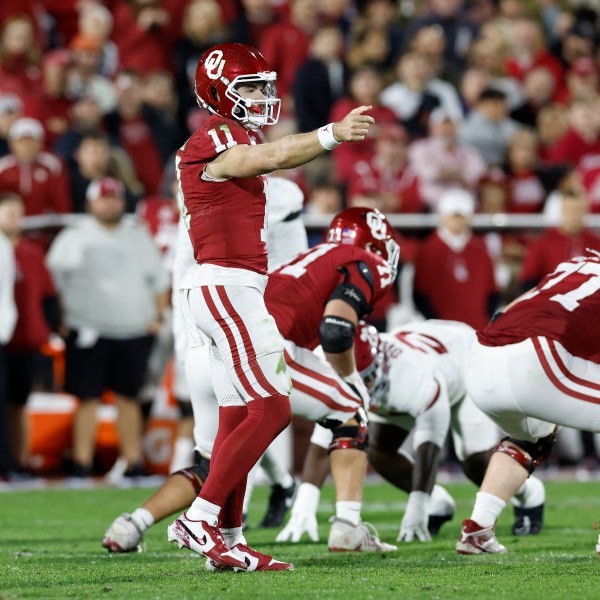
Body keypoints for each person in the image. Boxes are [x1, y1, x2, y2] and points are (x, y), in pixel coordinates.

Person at [165, 42, 374, 572]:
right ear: (218, 93)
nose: (263, 96)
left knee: (239, 414)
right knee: (274, 408)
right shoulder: (214, 139)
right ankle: (201, 518)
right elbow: (268, 157)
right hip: (225, 285)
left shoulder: (226, 136)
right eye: (250, 88)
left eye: (264, 85)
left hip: (231, 286)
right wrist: (331, 135)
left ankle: (229, 535)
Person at [103, 207, 400, 558]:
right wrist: (352, 381)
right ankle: (348, 527)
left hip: (207, 349)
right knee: (351, 410)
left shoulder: (313, 258)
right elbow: (335, 331)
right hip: (260, 344)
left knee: (214, 461)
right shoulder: (364, 261)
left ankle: (132, 525)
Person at [457, 251, 600, 555]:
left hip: (481, 358)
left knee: (532, 436)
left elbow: (508, 310)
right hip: (532, 358)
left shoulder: (576, 263)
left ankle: (478, 530)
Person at [357, 319, 545, 541]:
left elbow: (430, 442)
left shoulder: (411, 375)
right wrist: (305, 505)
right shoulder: (340, 359)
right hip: (433, 355)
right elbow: (326, 434)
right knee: (378, 448)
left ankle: (529, 492)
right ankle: (438, 502)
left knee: (473, 459)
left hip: (465, 362)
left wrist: (417, 506)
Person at [46, 176, 169, 481]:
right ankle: (81, 463)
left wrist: (157, 316)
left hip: (134, 328)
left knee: (129, 398)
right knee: (87, 398)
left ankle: (133, 462)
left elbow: (159, 280)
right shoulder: (73, 236)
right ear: (90, 203)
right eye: (103, 198)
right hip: (87, 327)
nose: (109, 203)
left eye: (114, 197)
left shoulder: (137, 235)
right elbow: (54, 285)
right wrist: (59, 320)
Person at [0, 193, 58, 474]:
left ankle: (19, 461)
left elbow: (48, 296)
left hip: (26, 339)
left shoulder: (32, 253)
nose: (13, 218)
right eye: (7, 212)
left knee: (19, 403)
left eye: (17, 213)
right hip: (4, 340)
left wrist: (46, 330)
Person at [413, 189, 499, 329]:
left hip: (477, 329)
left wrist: (484, 319)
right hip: (442, 331)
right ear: (443, 217)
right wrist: (435, 323)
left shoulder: (481, 248)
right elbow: (420, 294)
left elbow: (493, 290)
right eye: (453, 216)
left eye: (461, 216)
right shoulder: (428, 250)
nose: (457, 221)